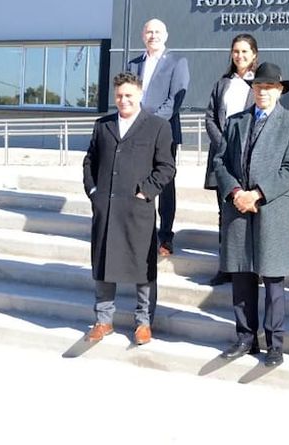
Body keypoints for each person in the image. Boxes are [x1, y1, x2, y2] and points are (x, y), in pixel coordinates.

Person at [212, 62, 289, 368]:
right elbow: (220, 161)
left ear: (279, 91)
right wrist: (236, 193)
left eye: (269, 88)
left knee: (273, 281)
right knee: (241, 277)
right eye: (258, 87)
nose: (262, 93)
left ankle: (274, 343)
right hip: (238, 208)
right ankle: (245, 337)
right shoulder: (236, 121)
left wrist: (258, 193)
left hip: (271, 208)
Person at [82, 72, 177, 345]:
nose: (124, 100)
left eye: (129, 96)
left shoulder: (157, 126)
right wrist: (93, 192)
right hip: (107, 208)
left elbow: (166, 167)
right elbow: (90, 162)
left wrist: (144, 191)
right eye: (119, 96)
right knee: (103, 264)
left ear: (139, 95)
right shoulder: (103, 125)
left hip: (138, 209)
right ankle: (103, 320)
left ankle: (143, 323)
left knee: (143, 269)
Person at [127, 18, 189, 256]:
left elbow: (175, 100)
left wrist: (149, 124)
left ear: (166, 35)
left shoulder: (177, 62)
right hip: (136, 133)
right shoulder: (133, 64)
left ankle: (165, 236)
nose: (153, 35)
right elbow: (128, 96)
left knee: (164, 185)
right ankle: (142, 232)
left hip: (163, 132)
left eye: (157, 31)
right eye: (149, 31)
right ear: (143, 35)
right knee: (138, 180)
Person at [204, 33, 259, 286]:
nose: (240, 56)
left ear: (254, 54)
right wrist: (224, 144)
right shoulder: (222, 83)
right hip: (222, 157)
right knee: (224, 213)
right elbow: (210, 117)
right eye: (236, 51)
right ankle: (226, 266)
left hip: (251, 156)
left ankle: (254, 268)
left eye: (245, 51)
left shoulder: (261, 83)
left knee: (253, 214)